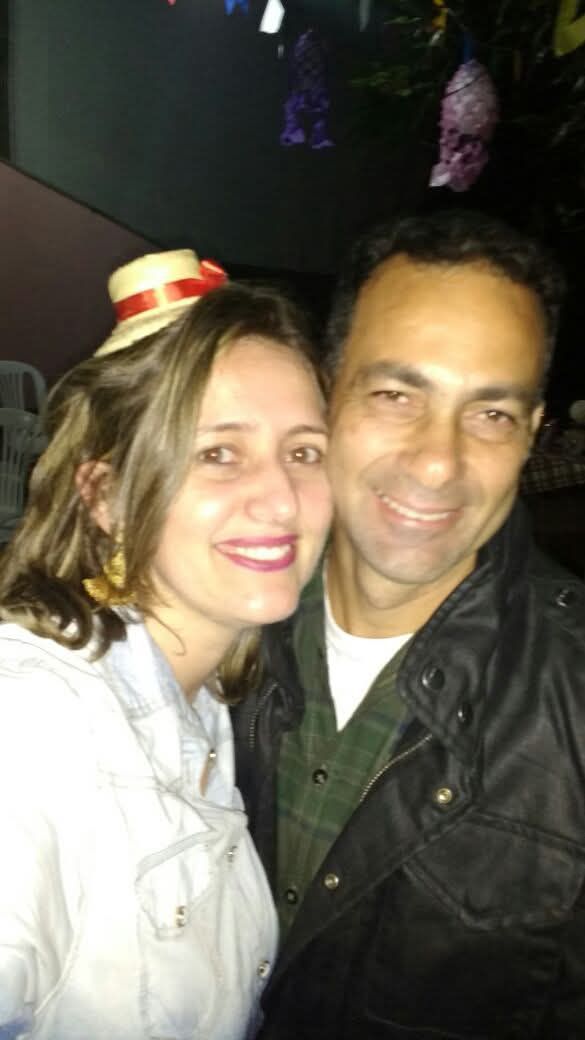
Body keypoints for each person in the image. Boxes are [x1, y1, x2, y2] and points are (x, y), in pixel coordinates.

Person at [232, 210, 585, 1039]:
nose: (436, 461)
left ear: (532, 431)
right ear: (327, 390)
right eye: (395, 395)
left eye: (490, 414)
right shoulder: (211, 623)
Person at [0, 253, 332, 1040]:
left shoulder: (208, 700)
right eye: (217, 453)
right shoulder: (31, 723)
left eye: (304, 451)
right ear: (104, 495)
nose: (282, 498)